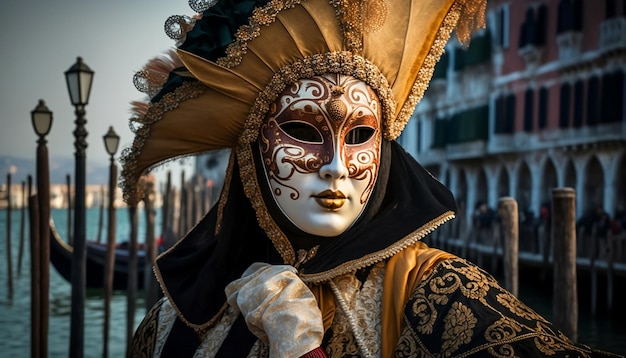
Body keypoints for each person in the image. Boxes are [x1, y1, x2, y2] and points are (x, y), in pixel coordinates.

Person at [121, 0, 622, 357]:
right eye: (303, 131)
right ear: (254, 150)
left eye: (361, 135)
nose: (337, 165)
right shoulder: (172, 321)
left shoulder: (435, 297)